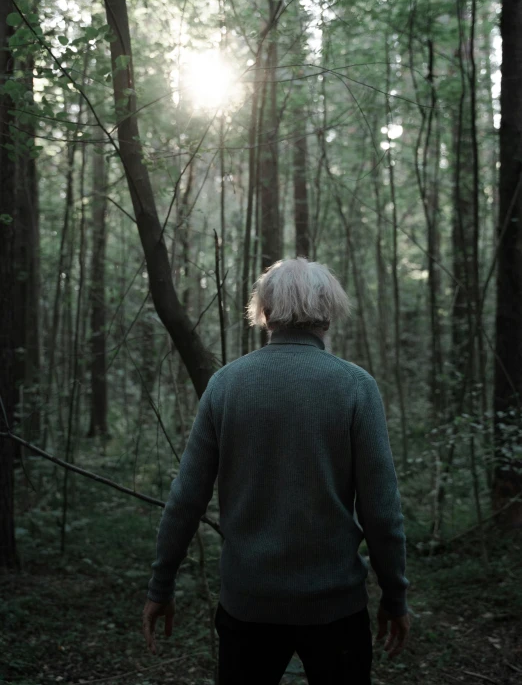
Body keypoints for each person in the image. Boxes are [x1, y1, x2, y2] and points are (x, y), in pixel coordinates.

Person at [143, 257, 410, 684]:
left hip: (248, 604)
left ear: (265, 312)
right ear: (328, 311)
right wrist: (395, 596)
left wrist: (161, 585)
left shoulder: (227, 384)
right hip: (335, 607)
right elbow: (382, 510)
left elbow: (186, 498)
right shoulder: (355, 386)